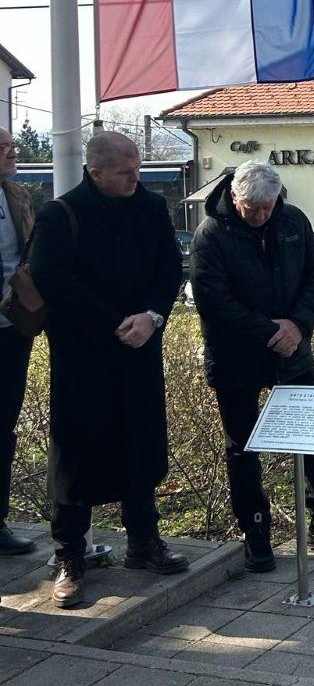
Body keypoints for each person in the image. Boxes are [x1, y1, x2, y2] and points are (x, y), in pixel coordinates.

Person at [30, 133, 187, 608]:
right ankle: (70, 556)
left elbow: (169, 266)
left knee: (140, 441)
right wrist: (114, 321)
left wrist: (152, 316)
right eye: (124, 172)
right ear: (95, 172)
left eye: (137, 169)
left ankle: (144, 542)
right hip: (83, 355)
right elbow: (54, 281)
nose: (134, 178)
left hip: (139, 347)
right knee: (76, 450)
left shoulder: (151, 208)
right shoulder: (61, 215)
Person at [190, 161, 314, 573]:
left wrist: (298, 325)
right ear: (235, 198)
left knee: (313, 436)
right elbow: (213, 300)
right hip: (237, 356)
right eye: (253, 208)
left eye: (268, 207)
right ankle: (255, 532)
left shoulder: (292, 220)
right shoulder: (211, 235)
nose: (261, 215)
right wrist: (270, 331)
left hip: (292, 349)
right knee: (243, 448)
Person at [0, 128, 37, 555]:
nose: (13, 153)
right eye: (2, 148)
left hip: (13, 328)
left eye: (13, 146)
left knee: (4, 426)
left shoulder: (17, 196)